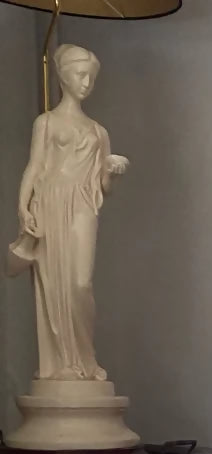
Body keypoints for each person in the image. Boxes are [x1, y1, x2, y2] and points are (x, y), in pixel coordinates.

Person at [7, 43, 128, 381]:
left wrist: (113, 171)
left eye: (91, 77)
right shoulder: (45, 122)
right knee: (54, 283)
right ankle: (63, 363)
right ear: (63, 77)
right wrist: (22, 207)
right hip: (50, 202)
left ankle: (86, 360)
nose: (86, 83)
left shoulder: (98, 131)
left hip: (83, 203)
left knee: (79, 283)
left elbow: (103, 186)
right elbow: (34, 166)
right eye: (80, 75)